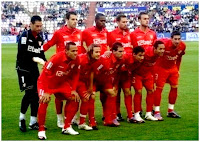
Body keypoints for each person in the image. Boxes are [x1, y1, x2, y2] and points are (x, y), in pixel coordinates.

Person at [42, 11, 83, 128]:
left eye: (76, 19)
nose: (75, 21)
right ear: (67, 20)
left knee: (76, 92)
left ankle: (72, 118)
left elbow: (82, 49)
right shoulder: (59, 33)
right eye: (73, 19)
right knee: (59, 95)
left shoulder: (80, 33)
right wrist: (37, 52)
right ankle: (59, 118)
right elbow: (49, 44)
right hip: (60, 68)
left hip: (74, 68)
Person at [37, 42, 80, 140]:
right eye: (73, 51)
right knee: (44, 100)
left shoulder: (76, 59)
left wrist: (73, 89)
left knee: (74, 98)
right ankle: (41, 129)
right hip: (45, 82)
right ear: (66, 51)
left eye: (76, 50)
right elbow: (45, 73)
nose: (76, 53)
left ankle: (67, 127)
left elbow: (76, 74)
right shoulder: (57, 58)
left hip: (60, 83)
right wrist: (47, 91)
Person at [16, 15, 46, 132]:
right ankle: (21, 119)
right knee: (29, 94)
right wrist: (36, 59)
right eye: (37, 26)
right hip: (23, 69)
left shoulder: (40, 37)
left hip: (34, 69)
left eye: (40, 26)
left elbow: (41, 53)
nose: (39, 28)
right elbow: (22, 54)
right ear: (31, 24)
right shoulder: (24, 36)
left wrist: (46, 63)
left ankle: (33, 122)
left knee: (36, 94)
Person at [153, 31, 186, 120]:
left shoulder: (183, 46)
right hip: (161, 68)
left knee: (175, 87)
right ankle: (156, 111)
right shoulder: (164, 44)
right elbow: (154, 50)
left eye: (179, 39)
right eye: (175, 39)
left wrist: (177, 69)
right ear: (171, 38)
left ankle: (170, 110)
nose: (177, 41)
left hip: (173, 68)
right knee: (159, 88)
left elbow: (179, 57)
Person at [130, 11, 157, 116]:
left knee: (151, 90)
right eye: (144, 18)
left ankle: (149, 112)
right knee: (138, 91)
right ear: (139, 20)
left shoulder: (152, 34)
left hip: (149, 68)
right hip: (137, 68)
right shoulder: (133, 34)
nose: (146, 20)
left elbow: (155, 50)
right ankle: (137, 111)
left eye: (147, 18)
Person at [107, 14, 133, 122]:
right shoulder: (111, 34)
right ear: (117, 22)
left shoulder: (130, 34)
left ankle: (130, 115)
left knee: (128, 91)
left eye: (126, 22)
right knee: (115, 93)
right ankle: (116, 114)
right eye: (123, 22)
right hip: (116, 70)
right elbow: (108, 49)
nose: (125, 24)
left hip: (127, 69)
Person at [132, 41, 165, 122]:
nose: (162, 51)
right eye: (160, 49)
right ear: (154, 49)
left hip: (148, 74)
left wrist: (155, 74)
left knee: (151, 91)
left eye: (163, 49)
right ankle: (136, 114)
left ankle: (148, 114)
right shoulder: (145, 52)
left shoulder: (158, 55)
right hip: (137, 74)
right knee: (138, 92)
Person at [77, 44, 101, 130]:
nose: (99, 54)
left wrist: (90, 87)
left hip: (87, 81)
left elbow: (92, 72)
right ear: (90, 52)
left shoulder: (95, 60)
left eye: (99, 52)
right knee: (84, 98)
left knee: (92, 96)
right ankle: (80, 122)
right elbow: (74, 73)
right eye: (97, 52)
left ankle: (91, 120)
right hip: (78, 81)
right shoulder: (81, 59)